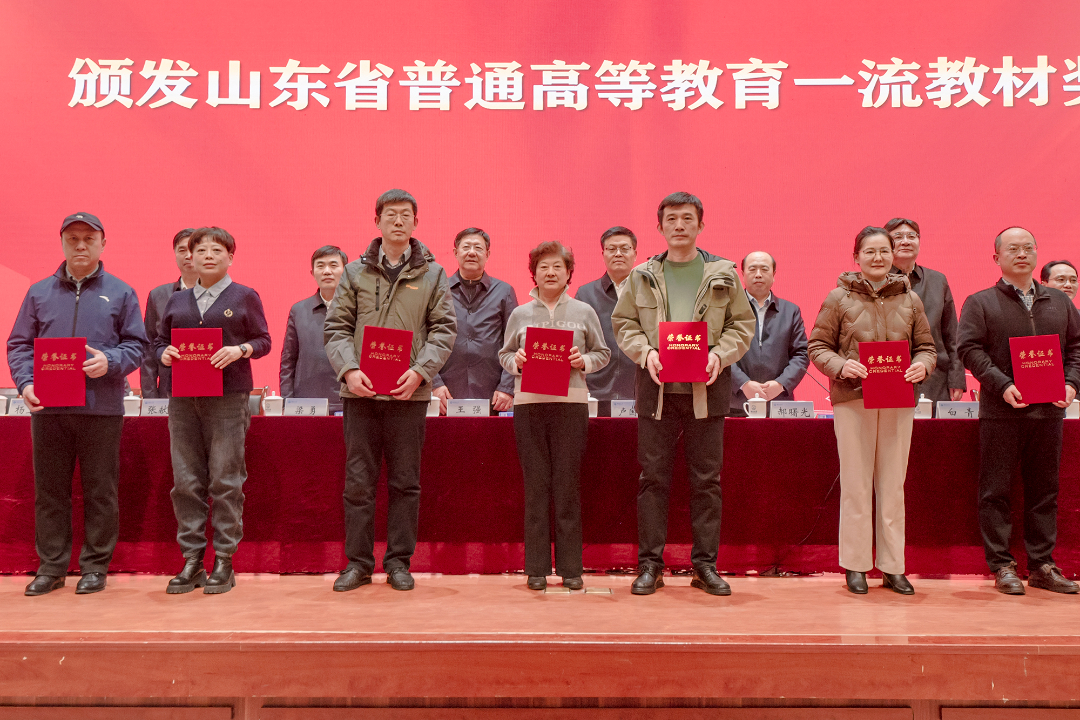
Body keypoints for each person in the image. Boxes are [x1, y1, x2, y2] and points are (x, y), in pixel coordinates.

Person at [611, 192, 755, 597]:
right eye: (671, 218)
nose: (679, 225)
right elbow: (624, 323)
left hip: (706, 390)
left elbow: (742, 325)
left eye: (687, 218)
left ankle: (705, 566)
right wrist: (646, 353)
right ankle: (650, 566)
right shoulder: (642, 275)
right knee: (652, 480)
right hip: (656, 390)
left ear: (700, 225)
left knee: (707, 481)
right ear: (659, 227)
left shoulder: (723, 274)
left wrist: (720, 355)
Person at [6, 212, 148, 596]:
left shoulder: (121, 292)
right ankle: (51, 568)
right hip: (49, 409)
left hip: (100, 409)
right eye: (73, 239)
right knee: (50, 492)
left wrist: (110, 362)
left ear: (103, 244)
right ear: (62, 243)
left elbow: (137, 345)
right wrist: (26, 382)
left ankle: (95, 566)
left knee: (100, 491)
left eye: (89, 238)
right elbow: (19, 344)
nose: (81, 245)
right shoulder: (38, 292)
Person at [324, 189, 456, 593]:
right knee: (358, 483)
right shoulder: (354, 272)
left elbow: (443, 330)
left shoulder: (433, 274)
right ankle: (358, 563)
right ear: (377, 221)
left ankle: (399, 562)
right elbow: (336, 328)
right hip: (360, 395)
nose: (398, 221)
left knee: (405, 483)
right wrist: (349, 371)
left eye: (406, 215)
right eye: (391, 214)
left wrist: (420, 372)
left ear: (416, 222)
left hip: (408, 394)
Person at [808, 226, 936, 595]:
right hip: (853, 399)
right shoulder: (838, 298)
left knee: (893, 486)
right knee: (857, 484)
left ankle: (894, 567)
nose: (878, 258)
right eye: (870, 251)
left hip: (898, 400)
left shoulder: (910, 299)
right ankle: (856, 565)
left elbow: (927, 347)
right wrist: (840, 366)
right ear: (856, 257)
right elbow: (817, 346)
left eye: (884, 251)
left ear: (893, 256)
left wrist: (922, 365)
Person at [958, 227, 1080, 595]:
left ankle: (1042, 565)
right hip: (1002, 411)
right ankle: (1002, 565)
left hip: (1049, 412)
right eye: (1013, 249)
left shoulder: (1060, 302)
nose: (1022, 254)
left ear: (1037, 254)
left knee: (1044, 491)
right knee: (995, 491)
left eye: (1028, 247)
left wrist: (1071, 384)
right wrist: (1003, 385)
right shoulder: (980, 302)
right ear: (996, 257)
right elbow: (970, 350)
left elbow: (1076, 348)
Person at [156, 227, 272, 595]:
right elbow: (158, 341)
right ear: (189, 257)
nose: (208, 255)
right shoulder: (177, 300)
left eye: (216, 250)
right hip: (183, 400)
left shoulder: (245, 296)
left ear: (230, 257)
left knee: (225, 479)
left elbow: (264, 340)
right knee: (186, 481)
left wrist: (240, 350)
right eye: (201, 250)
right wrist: (163, 353)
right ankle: (192, 560)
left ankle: (224, 559)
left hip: (228, 399)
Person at [499, 241, 609, 590]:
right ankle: (536, 569)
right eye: (543, 266)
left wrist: (583, 361)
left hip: (571, 406)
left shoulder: (583, 311)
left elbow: (602, 352)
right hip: (528, 406)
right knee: (536, 487)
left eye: (557, 266)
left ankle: (571, 568)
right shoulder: (520, 313)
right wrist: (516, 362)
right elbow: (504, 354)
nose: (550, 272)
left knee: (567, 486)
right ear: (533, 272)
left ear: (568, 273)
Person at [431, 228, 517, 415]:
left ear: (487, 254)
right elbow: (425, 339)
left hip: (493, 394)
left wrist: (506, 388)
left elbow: (514, 344)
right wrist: (434, 384)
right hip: (447, 392)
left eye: (478, 248)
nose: (471, 252)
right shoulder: (438, 290)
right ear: (456, 252)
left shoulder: (504, 292)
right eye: (466, 247)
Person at [885, 218, 966, 402]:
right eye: (898, 236)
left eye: (911, 236)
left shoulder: (937, 280)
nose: (906, 241)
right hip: (889, 373)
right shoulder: (876, 280)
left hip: (935, 377)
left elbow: (952, 334)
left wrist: (956, 378)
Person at [730, 251, 809, 415]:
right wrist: (743, 383)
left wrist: (780, 384)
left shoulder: (790, 311)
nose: (758, 274)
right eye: (752, 269)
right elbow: (718, 352)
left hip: (779, 403)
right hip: (736, 402)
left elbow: (801, 354)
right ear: (742, 274)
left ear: (774, 275)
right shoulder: (727, 309)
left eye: (764, 269)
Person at [575, 226, 639, 410]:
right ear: (603, 254)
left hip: (638, 390)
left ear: (635, 254)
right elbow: (577, 342)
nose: (618, 254)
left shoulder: (648, 292)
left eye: (624, 249)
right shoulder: (586, 294)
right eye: (612, 249)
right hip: (595, 391)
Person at [280, 245, 349, 413]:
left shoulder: (359, 309)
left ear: (346, 271)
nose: (327, 271)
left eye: (333, 265)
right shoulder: (299, 310)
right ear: (312, 273)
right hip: (306, 402)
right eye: (320, 266)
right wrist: (287, 400)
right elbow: (288, 360)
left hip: (348, 401)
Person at [141, 228, 197, 399]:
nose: (188, 255)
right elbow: (149, 350)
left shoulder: (222, 295)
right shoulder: (158, 296)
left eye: (194, 249)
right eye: (182, 250)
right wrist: (150, 398)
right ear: (175, 255)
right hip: (169, 391)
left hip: (214, 392)